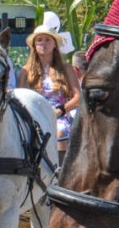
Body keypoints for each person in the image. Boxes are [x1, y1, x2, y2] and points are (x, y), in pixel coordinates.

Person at [17, 25, 79, 153]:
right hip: (33, 115)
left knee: (60, 133)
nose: (43, 43)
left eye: (47, 40)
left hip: (59, 114)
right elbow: (19, 98)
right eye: (39, 40)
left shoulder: (66, 68)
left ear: (54, 44)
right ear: (34, 45)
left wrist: (60, 110)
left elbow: (78, 98)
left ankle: (60, 170)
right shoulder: (25, 71)